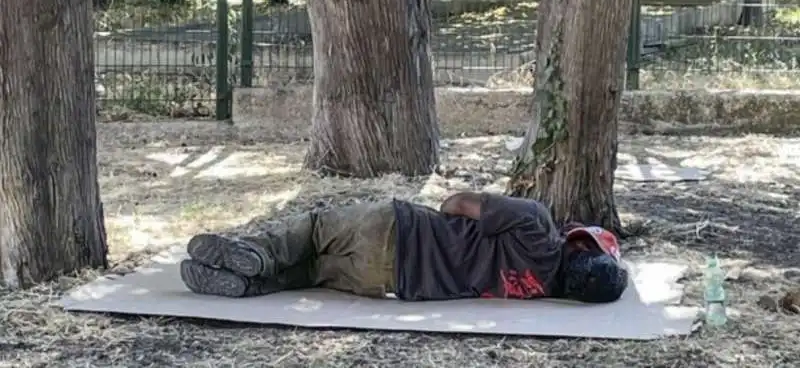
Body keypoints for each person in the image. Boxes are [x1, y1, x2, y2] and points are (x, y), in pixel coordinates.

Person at [179, 192, 629, 303]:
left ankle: (256, 255)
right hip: (393, 283)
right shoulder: (544, 292)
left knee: (313, 232)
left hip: (398, 230)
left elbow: (456, 203)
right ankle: (249, 287)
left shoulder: (536, 223)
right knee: (313, 272)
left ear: (578, 242)